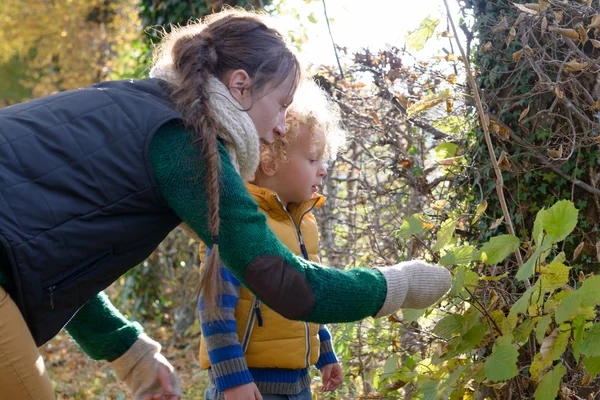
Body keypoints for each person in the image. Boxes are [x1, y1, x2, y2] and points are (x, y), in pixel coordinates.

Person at [0, 8, 451, 400]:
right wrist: (396, 285)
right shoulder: (185, 142)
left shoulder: (142, 107)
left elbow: (53, 261)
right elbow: (287, 283)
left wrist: (131, 354)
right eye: (281, 105)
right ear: (240, 86)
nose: (280, 127)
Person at [199, 81, 345, 400]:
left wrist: (325, 353)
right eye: (312, 160)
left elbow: (307, 295)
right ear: (270, 160)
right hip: (247, 386)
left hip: (298, 384)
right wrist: (233, 379)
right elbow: (214, 307)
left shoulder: (304, 225)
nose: (322, 171)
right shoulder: (239, 221)